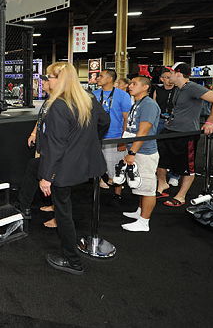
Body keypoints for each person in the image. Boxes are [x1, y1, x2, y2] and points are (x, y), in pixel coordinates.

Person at [38, 61, 110, 275]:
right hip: (86, 164)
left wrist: (47, 177)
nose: (47, 80)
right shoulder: (87, 98)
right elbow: (103, 122)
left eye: (50, 77)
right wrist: (87, 143)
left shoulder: (59, 104)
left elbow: (57, 145)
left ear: (59, 79)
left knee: (63, 213)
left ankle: (72, 261)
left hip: (64, 168)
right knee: (65, 209)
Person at [156, 62, 213, 207]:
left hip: (186, 133)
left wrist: (210, 122)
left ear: (178, 74)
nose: (169, 76)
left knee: (187, 166)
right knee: (160, 159)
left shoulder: (192, 87)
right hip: (170, 130)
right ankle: (162, 185)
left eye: (171, 73)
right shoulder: (179, 89)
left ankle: (181, 196)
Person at [120, 76, 161, 232]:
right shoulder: (137, 103)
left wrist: (132, 152)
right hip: (137, 150)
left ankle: (144, 222)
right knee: (140, 185)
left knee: (148, 187)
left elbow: (143, 131)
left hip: (144, 152)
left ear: (145, 87)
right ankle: (140, 212)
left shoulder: (149, 105)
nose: (130, 86)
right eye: (130, 83)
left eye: (134, 84)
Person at [14, 73, 53, 221]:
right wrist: (33, 133)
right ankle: (29, 205)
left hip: (53, 148)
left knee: (44, 173)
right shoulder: (49, 100)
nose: (44, 83)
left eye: (47, 81)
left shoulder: (59, 102)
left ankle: (25, 206)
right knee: (37, 169)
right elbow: (41, 119)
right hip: (44, 145)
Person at [92, 70, 132, 202]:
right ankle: (97, 191)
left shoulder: (122, 95)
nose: (98, 78)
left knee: (116, 168)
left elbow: (127, 119)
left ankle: (117, 194)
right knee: (96, 165)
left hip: (114, 136)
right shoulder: (94, 95)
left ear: (110, 79)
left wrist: (123, 140)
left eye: (101, 76)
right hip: (97, 137)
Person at [153, 69, 179, 187]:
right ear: (162, 79)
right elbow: (154, 105)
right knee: (158, 148)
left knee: (174, 149)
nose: (170, 80)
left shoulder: (178, 91)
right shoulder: (157, 90)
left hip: (174, 122)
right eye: (167, 77)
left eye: (171, 77)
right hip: (159, 121)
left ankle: (175, 175)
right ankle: (158, 173)